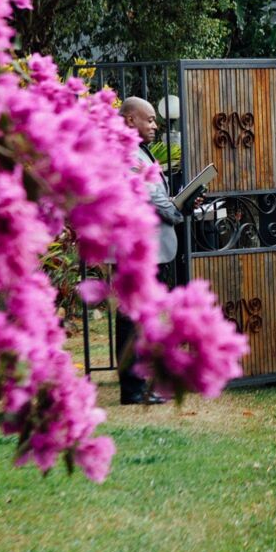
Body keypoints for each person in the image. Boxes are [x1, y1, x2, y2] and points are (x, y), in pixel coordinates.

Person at [116, 96, 183, 405]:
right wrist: (177, 210)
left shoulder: (138, 149)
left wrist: (181, 201)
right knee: (132, 318)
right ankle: (133, 389)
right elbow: (151, 199)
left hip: (149, 248)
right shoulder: (125, 151)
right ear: (131, 120)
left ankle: (142, 383)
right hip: (136, 248)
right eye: (150, 119)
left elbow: (156, 193)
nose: (156, 125)